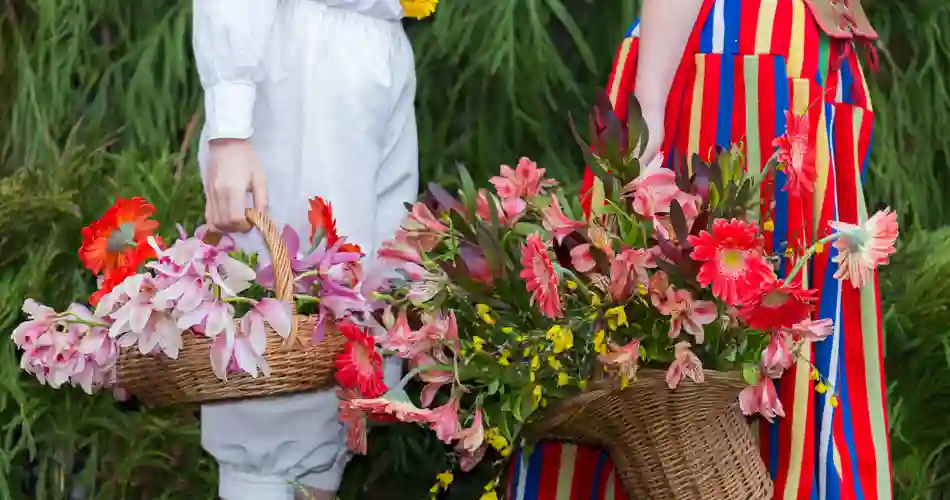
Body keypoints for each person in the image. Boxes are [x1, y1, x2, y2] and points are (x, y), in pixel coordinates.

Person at [512, 0, 891, 498]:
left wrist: (648, 105)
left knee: (748, 333)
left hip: (772, 63)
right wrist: (649, 109)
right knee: (713, 339)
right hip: (742, 67)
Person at [192, 1, 419, 499]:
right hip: (298, 56)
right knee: (276, 335)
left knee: (354, 320)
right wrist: (231, 128)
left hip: (376, 46)